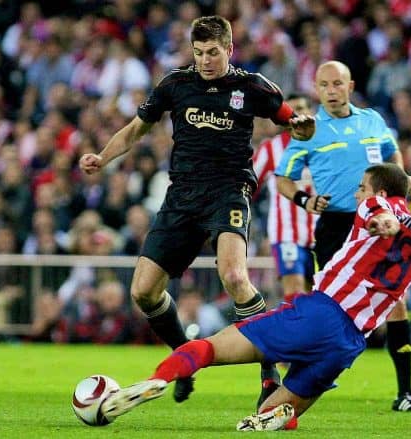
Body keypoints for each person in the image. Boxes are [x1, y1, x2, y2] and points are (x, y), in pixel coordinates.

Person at [99, 163, 411, 431]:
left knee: (208, 348)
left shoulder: (378, 204)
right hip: (349, 345)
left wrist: (386, 223)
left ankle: (153, 381)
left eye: (360, 187)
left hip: (321, 314)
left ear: (382, 191)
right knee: (272, 414)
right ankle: (278, 415)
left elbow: (383, 216)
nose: (357, 195)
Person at [78, 15, 314, 407]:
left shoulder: (252, 87)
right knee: (143, 292)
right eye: (199, 52)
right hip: (182, 196)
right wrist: (103, 158)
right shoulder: (175, 84)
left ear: (230, 50)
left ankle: (269, 373)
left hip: (228, 191)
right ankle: (184, 356)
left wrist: (303, 127)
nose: (205, 60)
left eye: (213, 52)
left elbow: (293, 121)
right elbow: (137, 128)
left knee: (235, 276)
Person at [274, 61, 411, 412]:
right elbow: (284, 178)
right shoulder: (308, 130)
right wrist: (305, 199)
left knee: (394, 301)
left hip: (378, 221)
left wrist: (399, 177)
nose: (331, 90)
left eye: (337, 83)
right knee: (329, 306)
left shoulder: (371, 120)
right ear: (316, 89)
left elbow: (392, 153)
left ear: (350, 85)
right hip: (336, 224)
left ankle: (406, 392)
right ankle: (302, 376)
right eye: (324, 85)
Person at [252, 94, 317, 304]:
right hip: (286, 233)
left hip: (321, 234)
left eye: (301, 108)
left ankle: (312, 336)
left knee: (318, 293)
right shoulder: (271, 149)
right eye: (292, 110)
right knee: (295, 291)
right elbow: (248, 185)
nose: (297, 115)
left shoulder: (325, 146)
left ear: (311, 113)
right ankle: (297, 335)